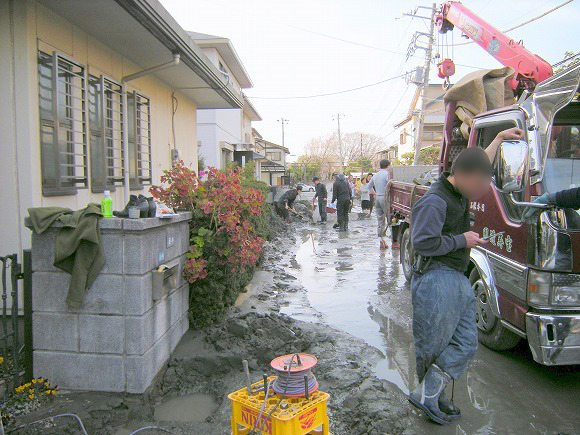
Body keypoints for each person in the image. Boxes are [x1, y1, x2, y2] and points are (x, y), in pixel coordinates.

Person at [408, 127, 524, 426]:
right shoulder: (435, 201)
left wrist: (497, 140)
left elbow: (478, 163)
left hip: (456, 277)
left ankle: (429, 394)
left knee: (466, 343)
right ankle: (433, 398)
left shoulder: (460, 183)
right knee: (432, 346)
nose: (481, 190)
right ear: (463, 176)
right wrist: (463, 239)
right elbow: (422, 242)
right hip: (435, 278)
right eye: (479, 184)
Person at [367, 160, 391, 249]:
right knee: (390, 219)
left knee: (380, 220)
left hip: (377, 198)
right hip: (385, 198)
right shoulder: (387, 174)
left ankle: (381, 241)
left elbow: (369, 186)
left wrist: (374, 193)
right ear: (388, 166)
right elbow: (390, 184)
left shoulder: (375, 175)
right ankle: (394, 241)